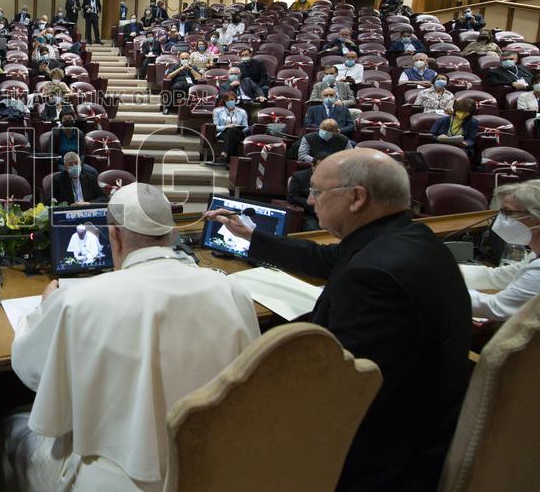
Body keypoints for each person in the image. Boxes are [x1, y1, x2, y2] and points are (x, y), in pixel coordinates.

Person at [206, 148, 471, 491]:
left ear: (357, 198)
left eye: (317, 192)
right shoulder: (405, 237)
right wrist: (251, 236)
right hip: (418, 418)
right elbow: (324, 259)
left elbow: (340, 394)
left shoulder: (376, 276)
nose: (311, 203)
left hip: (385, 461)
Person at [3, 182, 259, 491]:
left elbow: (30, 368)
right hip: (212, 468)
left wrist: (46, 310)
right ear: (173, 235)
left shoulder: (80, 301)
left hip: (117, 478)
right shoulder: (232, 291)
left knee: (11, 428)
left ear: (114, 235)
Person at [460, 181, 540, 321]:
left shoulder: (537, 272)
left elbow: (496, 307)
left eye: (507, 212)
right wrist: (448, 270)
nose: (500, 218)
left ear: (536, 218)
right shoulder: (535, 255)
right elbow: (498, 276)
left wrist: (443, 288)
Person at [211, 91, 250, 165]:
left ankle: (224, 155)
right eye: (227, 100)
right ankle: (234, 160)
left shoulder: (242, 112)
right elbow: (215, 127)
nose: (230, 102)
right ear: (224, 101)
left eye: (232, 100)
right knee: (231, 131)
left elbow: (246, 127)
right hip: (223, 133)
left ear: (236, 100)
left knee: (233, 130)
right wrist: (226, 127)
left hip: (239, 133)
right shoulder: (217, 111)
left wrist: (237, 127)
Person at [287, 156, 322, 231]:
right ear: (313, 166)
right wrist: (312, 205)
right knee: (313, 229)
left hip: (328, 213)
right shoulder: (299, 176)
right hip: (309, 213)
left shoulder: (332, 178)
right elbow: (292, 197)